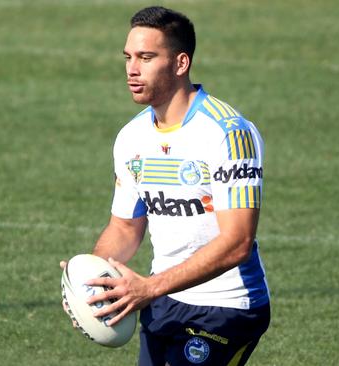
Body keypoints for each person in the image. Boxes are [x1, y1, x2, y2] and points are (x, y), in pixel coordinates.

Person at [61, 6, 270, 365]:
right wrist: (90, 278)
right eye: (128, 57)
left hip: (227, 307)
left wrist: (149, 287)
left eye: (146, 57)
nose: (132, 69)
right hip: (163, 304)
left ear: (180, 63)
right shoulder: (131, 137)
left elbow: (237, 242)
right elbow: (125, 227)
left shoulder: (229, 134)